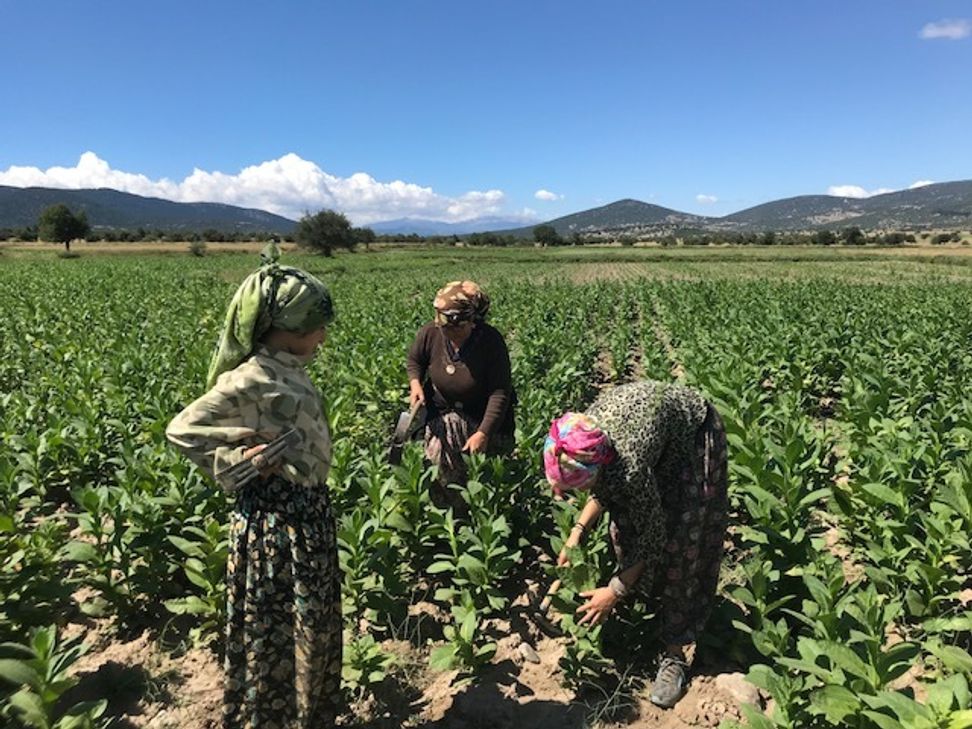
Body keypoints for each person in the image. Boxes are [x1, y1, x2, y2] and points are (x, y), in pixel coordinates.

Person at [166, 244, 341, 729]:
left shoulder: (287, 369)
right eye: (314, 327)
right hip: (275, 526)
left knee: (308, 625)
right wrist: (242, 461)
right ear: (283, 330)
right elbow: (183, 430)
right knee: (276, 630)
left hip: (307, 517)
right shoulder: (250, 377)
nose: (322, 336)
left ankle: (307, 715)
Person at [543, 380, 728, 709]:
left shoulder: (628, 466)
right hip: (649, 439)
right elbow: (604, 486)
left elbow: (653, 537)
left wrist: (613, 591)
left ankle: (676, 653)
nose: (563, 495)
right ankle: (642, 605)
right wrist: (577, 533)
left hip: (694, 437)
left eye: (570, 488)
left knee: (681, 543)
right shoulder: (584, 436)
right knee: (624, 525)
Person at [406, 280, 515, 509]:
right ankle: (448, 517)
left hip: (482, 417)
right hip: (442, 412)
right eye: (447, 329)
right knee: (439, 472)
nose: (452, 334)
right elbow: (415, 360)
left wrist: (483, 433)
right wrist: (415, 384)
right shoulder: (431, 332)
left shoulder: (491, 341)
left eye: (459, 329)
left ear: (472, 322)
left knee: (482, 478)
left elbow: (500, 392)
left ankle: (480, 517)